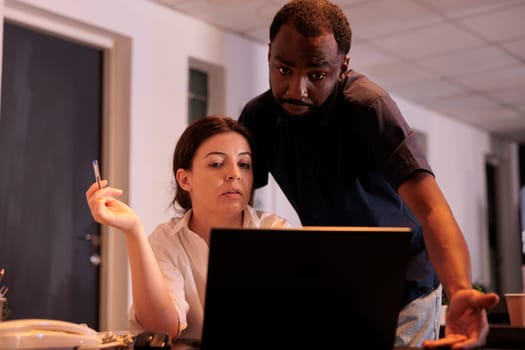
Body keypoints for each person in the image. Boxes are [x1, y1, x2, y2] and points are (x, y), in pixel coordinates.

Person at [237, 0, 499, 348]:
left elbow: (433, 208)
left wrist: (461, 289)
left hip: (407, 282)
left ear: (343, 67)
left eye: (316, 75)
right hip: (340, 281)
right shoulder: (259, 118)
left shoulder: (370, 108)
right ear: (269, 54)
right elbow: (233, 210)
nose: (296, 89)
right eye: (284, 70)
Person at [86, 115, 290, 340]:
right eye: (217, 164)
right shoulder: (167, 241)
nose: (235, 174)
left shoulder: (275, 231)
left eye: (244, 164)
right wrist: (133, 230)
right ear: (185, 180)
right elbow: (163, 329)